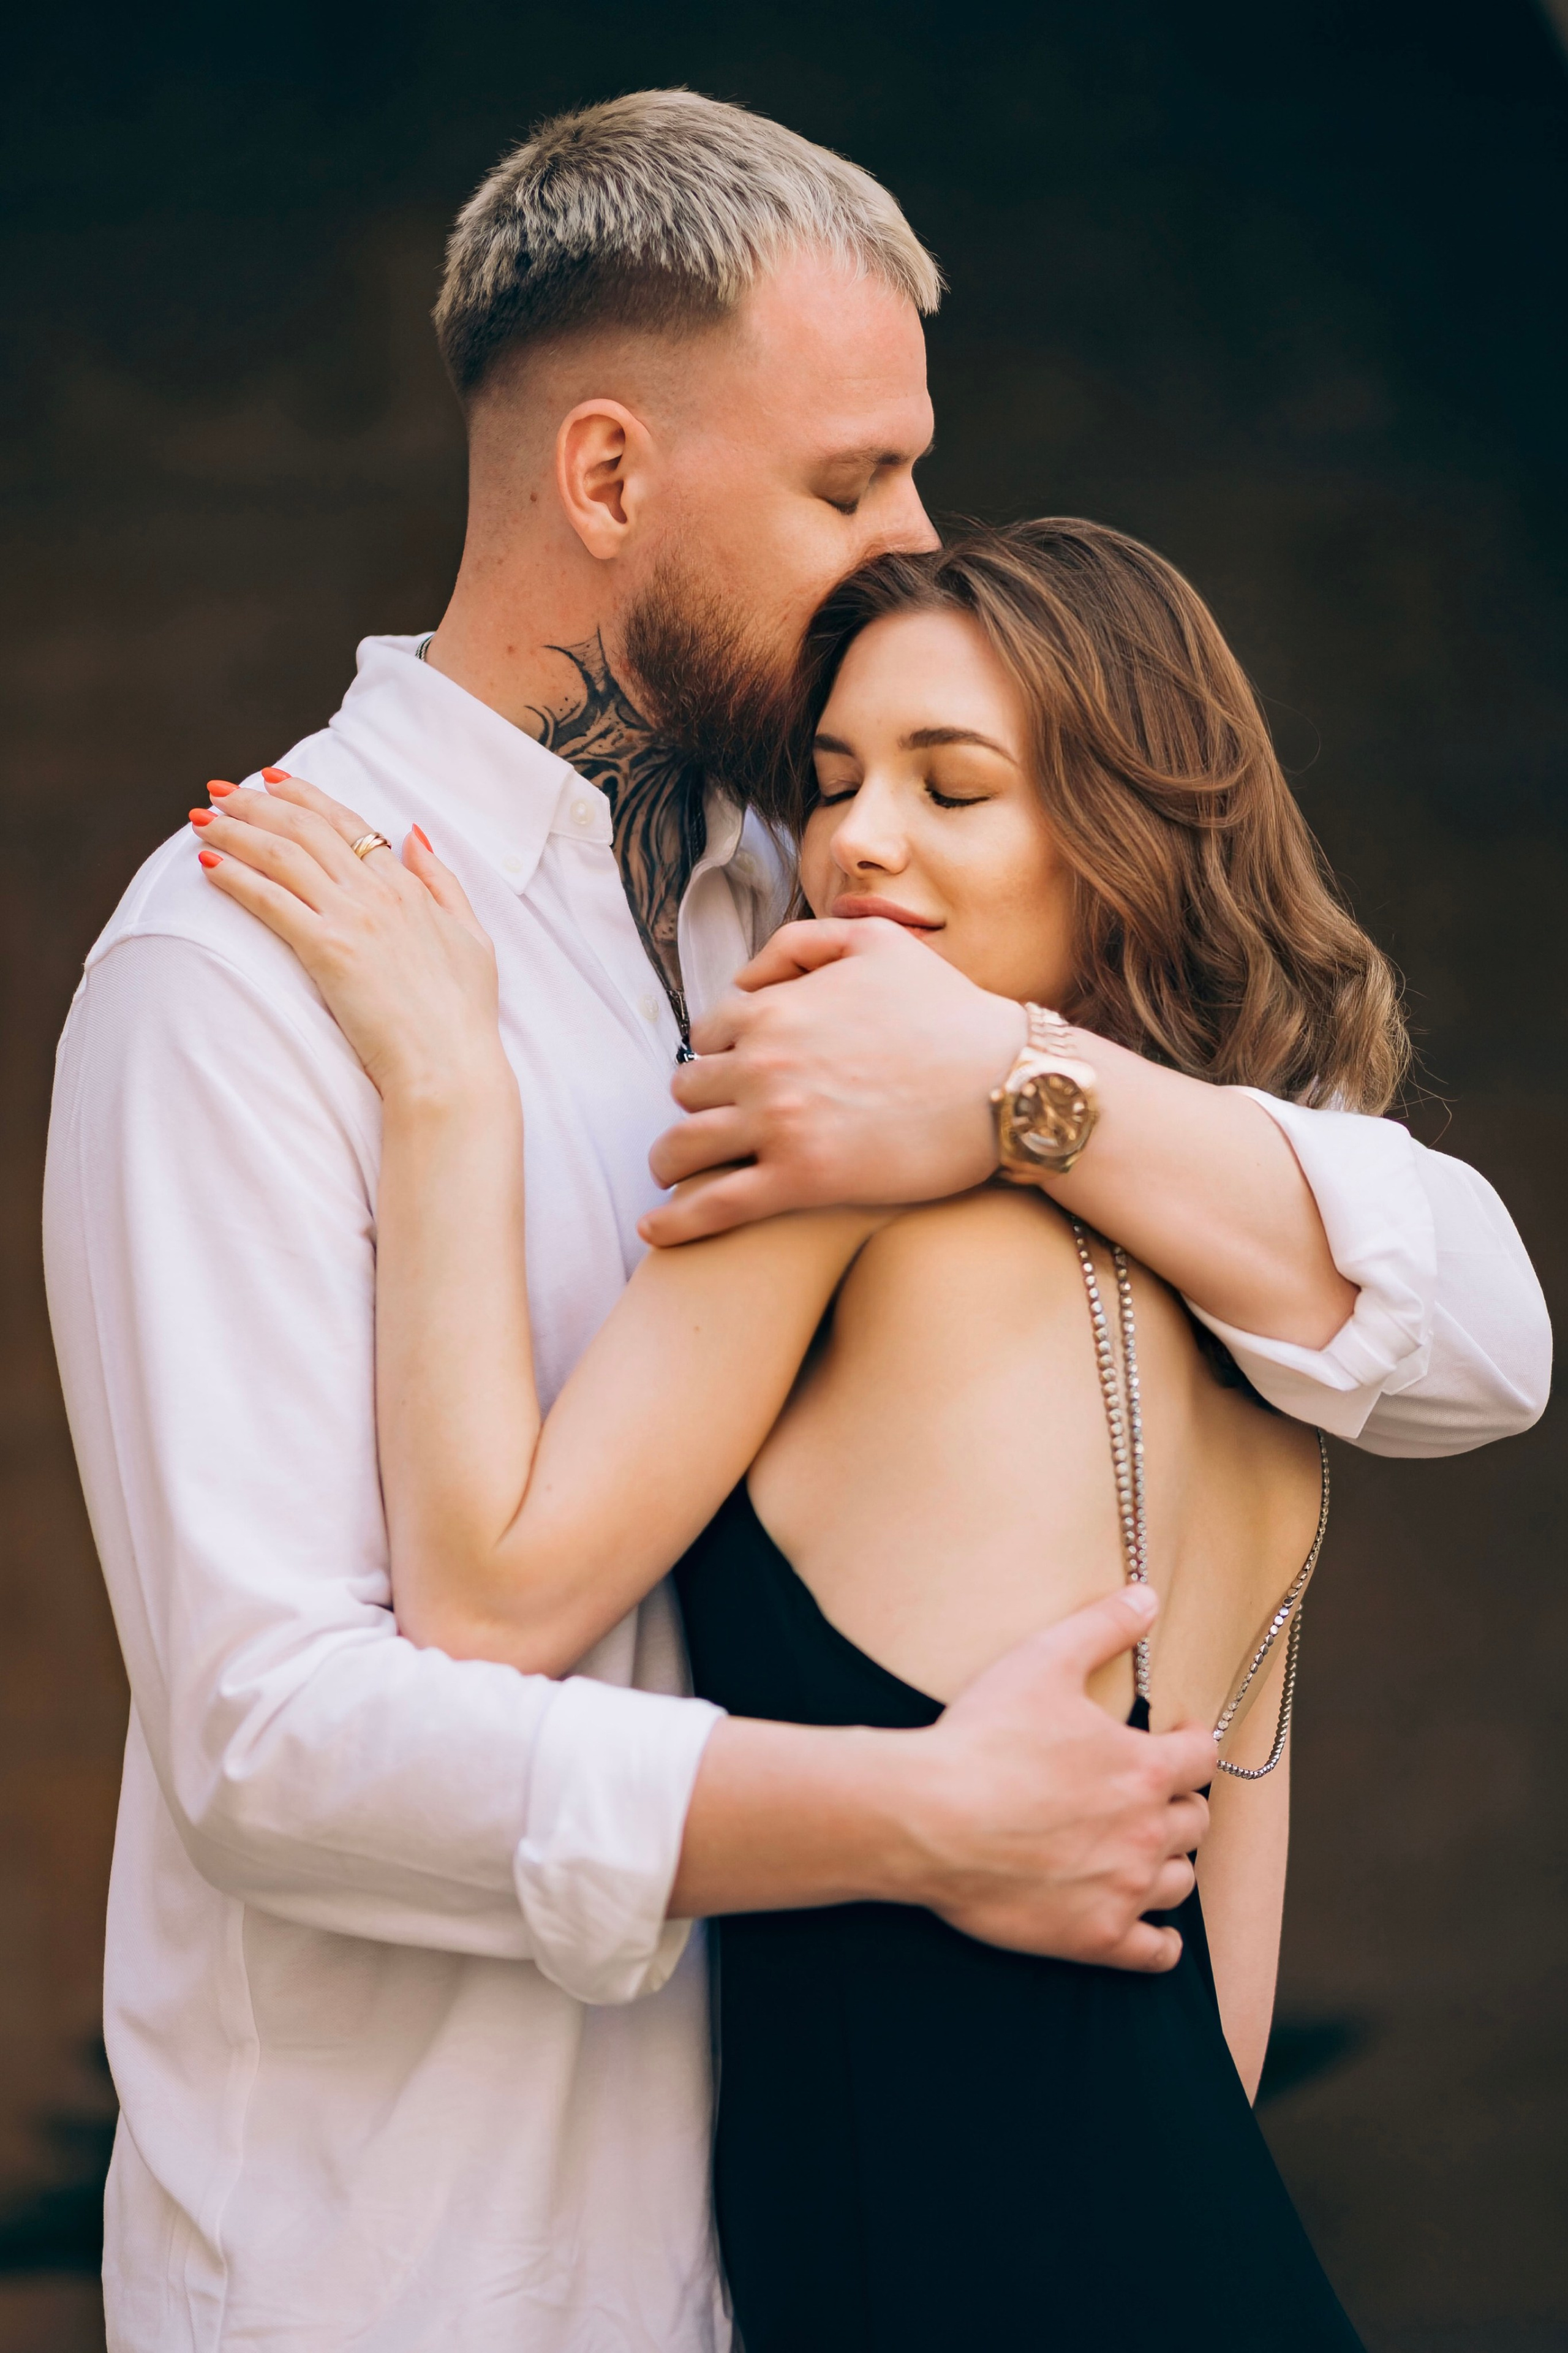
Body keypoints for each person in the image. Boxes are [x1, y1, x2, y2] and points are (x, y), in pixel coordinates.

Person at [42, 93, 1547, 2353]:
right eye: (855, 481)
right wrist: (921, 1814)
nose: (908, 541)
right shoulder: (242, 964)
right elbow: (274, 1739)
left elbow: (1473, 1339)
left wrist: (1026, 1091)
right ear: (612, 477)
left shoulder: (833, 920)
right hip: (432, 2282)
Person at [189, 515, 1374, 2349]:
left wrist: (447, 1090)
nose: (856, 840)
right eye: (833, 779)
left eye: (951, 786)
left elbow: (493, 1598)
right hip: (1199, 2256)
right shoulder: (1266, 1307)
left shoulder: (835, 1152)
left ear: (1123, 844)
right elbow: (1213, 1991)